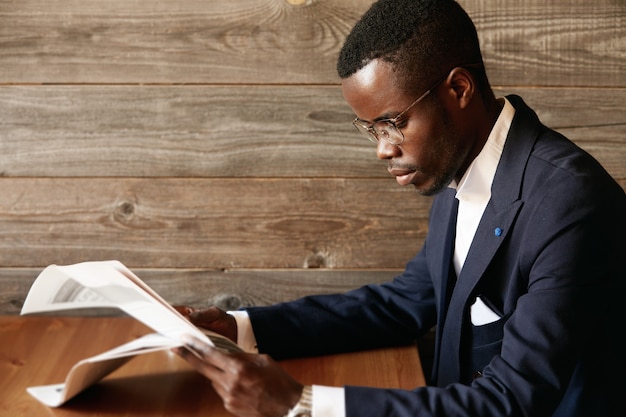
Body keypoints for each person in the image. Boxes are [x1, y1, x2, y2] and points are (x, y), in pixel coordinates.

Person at [174, 0, 626, 416]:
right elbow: (403, 303)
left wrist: (302, 402)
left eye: (393, 123)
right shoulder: (463, 169)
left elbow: (511, 401)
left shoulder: (570, 205)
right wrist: (239, 328)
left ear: (459, 88)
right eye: (372, 129)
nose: (382, 149)